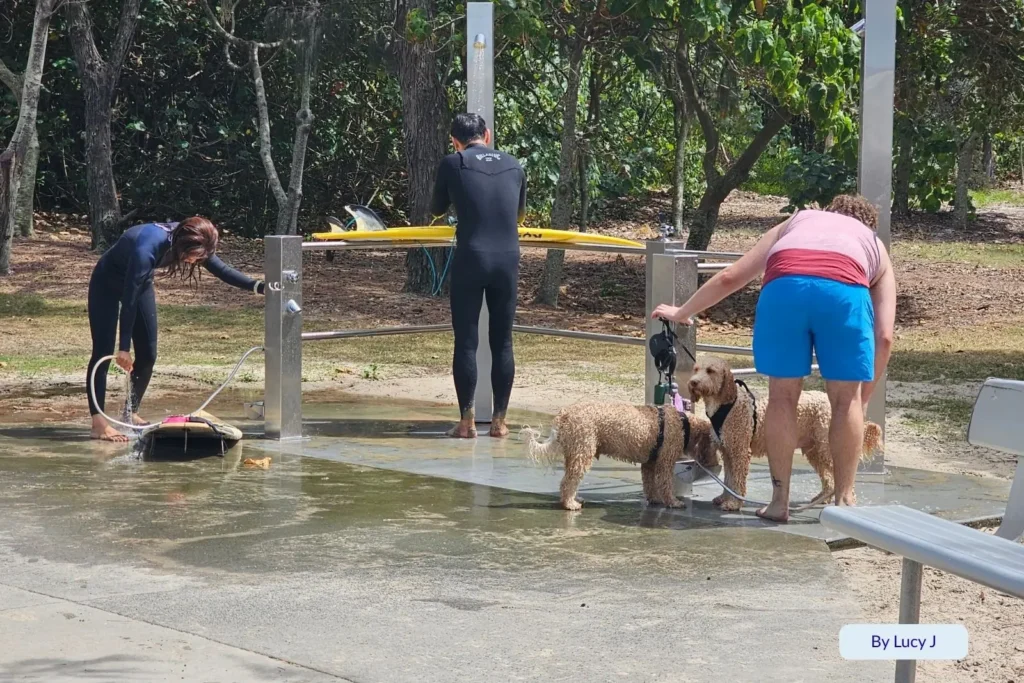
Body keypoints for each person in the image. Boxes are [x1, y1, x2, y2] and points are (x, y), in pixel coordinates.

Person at [652, 194, 896, 521]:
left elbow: (731, 276)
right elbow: (884, 336)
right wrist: (861, 401)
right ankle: (844, 501)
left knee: (782, 399)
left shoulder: (798, 220)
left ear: (827, 211)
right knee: (845, 402)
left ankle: (780, 502)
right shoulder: (874, 245)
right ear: (868, 225)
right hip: (843, 295)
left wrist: (682, 312)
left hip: (784, 291)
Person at [87, 217, 265, 442]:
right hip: (108, 283)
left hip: (141, 282)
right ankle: (98, 424)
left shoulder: (190, 239)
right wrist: (123, 348)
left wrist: (258, 287)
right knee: (102, 352)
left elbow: (222, 270)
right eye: (194, 257)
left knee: (148, 354)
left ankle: (130, 413)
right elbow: (129, 301)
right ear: (184, 245)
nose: (194, 262)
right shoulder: (147, 248)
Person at [431, 113, 527, 438]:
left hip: (471, 257)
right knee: (502, 341)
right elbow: (518, 213)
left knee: (467, 342)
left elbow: (436, 208)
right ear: (487, 135)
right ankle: (500, 422)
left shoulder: (453, 162)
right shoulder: (515, 164)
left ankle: (466, 421)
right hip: (507, 260)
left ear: (455, 140)